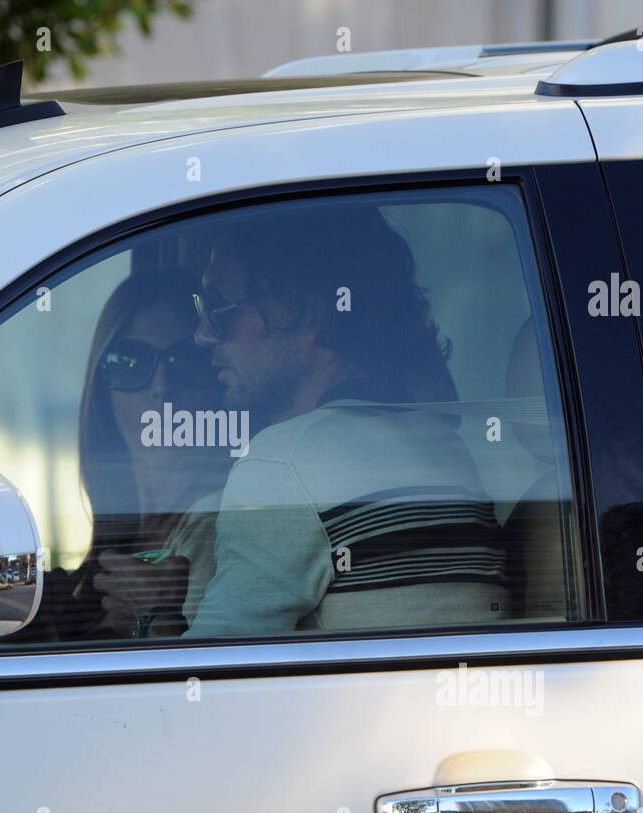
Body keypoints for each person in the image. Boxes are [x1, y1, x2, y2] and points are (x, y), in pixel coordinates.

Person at [95, 200, 510, 637]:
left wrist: (151, 613)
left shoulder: (283, 464)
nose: (203, 334)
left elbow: (209, 688)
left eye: (219, 307)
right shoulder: (443, 447)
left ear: (300, 309)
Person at [40, 268, 229, 640]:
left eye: (185, 361)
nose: (160, 387)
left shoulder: (221, 526)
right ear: (102, 387)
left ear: (218, 378)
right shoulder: (121, 534)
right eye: (130, 363)